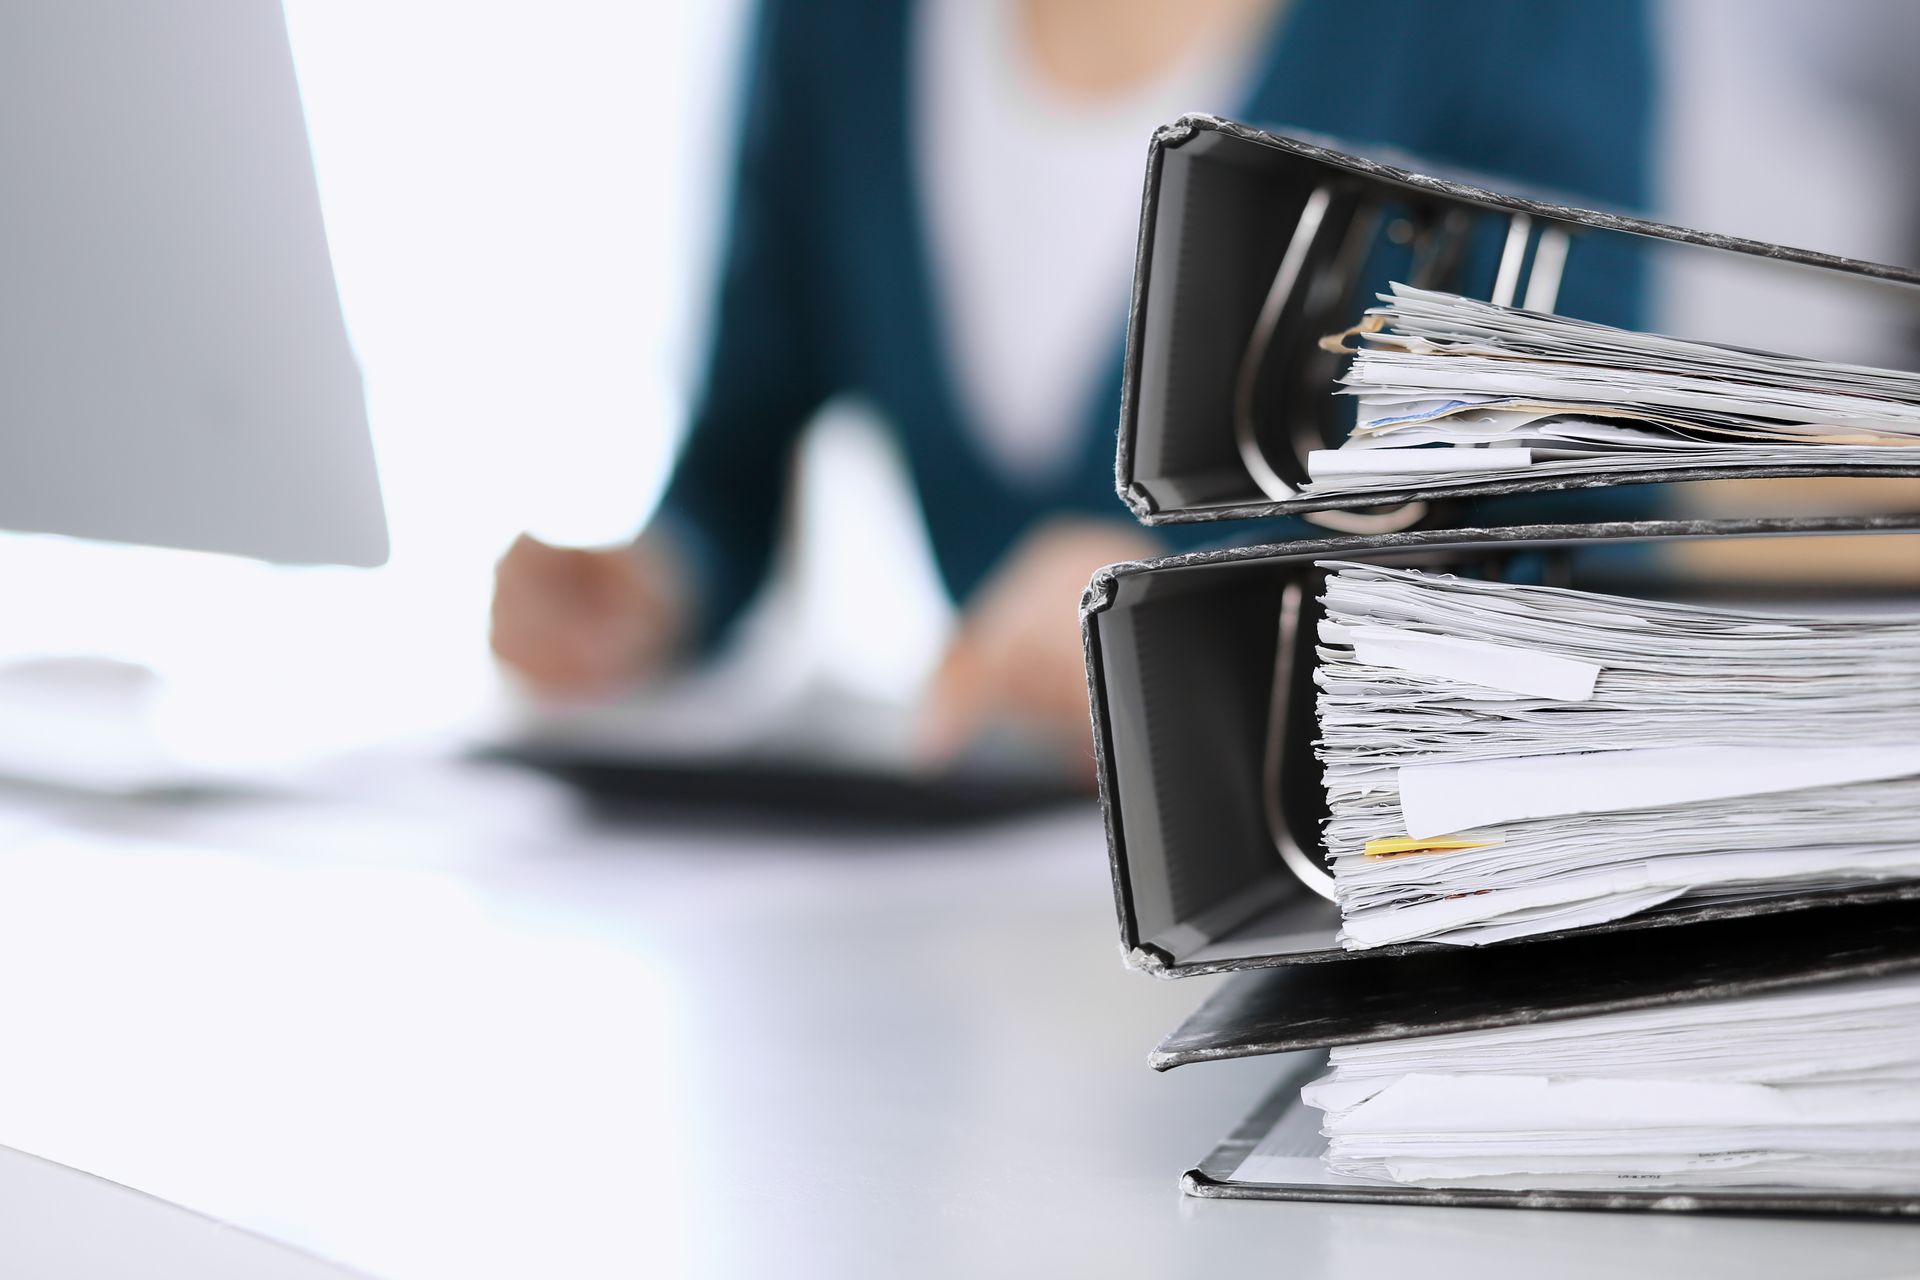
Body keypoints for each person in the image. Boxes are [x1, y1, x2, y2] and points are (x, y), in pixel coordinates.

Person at [492, 0, 1654, 768]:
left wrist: (1212, 632)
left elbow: (1578, 518)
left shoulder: (1513, 20)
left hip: (1365, 917)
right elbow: (737, 458)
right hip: (983, 935)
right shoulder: (837, 27)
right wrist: (653, 583)